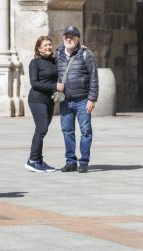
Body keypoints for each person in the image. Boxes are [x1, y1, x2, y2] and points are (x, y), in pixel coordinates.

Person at [57, 26, 99, 173]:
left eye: (72, 37)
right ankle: (70, 161)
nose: (69, 39)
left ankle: (84, 162)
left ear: (78, 38)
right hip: (65, 101)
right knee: (67, 131)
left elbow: (94, 77)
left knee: (86, 131)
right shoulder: (58, 55)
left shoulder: (86, 54)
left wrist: (92, 98)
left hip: (82, 99)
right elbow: (51, 73)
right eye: (66, 36)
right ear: (63, 38)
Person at [25, 36, 64, 172]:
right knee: (41, 129)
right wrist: (54, 86)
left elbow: (66, 55)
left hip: (49, 101)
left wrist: (81, 50)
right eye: (45, 45)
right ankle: (32, 160)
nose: (48, 47)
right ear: (39, 48)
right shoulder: (34, 63)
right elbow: (34, 83)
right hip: (37, 100)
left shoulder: (54, 61)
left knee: (43, 130)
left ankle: (38, 160)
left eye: (49, 44)